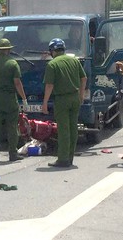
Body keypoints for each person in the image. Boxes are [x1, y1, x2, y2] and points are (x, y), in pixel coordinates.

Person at [41, 38, 87, 168]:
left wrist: (45, 102)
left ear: (52, 51)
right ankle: (70, 158)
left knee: (63, 130)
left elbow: (49, 85)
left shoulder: (52, 64)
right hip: (75, 98)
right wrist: (81, 95)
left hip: (62, 100)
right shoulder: (74, 60)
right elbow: (84, 78)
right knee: (73, 129)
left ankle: (62, 159)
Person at [0, 38, 28, 162]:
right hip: (9, 98)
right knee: (12, 127)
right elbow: (17, 83)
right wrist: (23, 99)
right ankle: (12, 154)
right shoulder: (12, 64)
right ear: (7, 50)